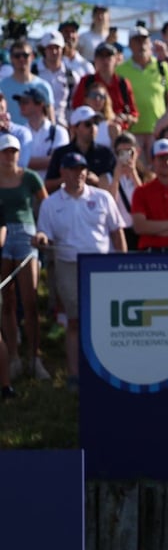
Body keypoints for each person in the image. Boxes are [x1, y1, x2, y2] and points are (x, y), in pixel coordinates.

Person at [33, 150, 126, 391]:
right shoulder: (51, 203)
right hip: (69, 265)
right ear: (63, 173)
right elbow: (45, 233)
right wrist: (40, 238)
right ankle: (74, 375)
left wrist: (122, 264)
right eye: (73, 170)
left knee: (107, 320)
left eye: (82, 170)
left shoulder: (103, 197)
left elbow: (117, 231)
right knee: (74, 320)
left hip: (102, 265)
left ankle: (109, 368)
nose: (78, 174)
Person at [0, 131, 49, 380]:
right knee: (6, 300)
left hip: (26, 236)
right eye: (5, 152)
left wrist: (42, 231)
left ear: (19, 154)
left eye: (13, 151)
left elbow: (46, 206)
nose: (9, 156)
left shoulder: (29, 177)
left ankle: (34, 358)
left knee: (29, 301)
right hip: (1, 237)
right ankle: (14, 357)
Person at [115, 24, 168, 158]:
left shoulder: (162, 68)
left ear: (150, 43)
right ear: (130, 44)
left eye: (144, 41)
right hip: (132, 132)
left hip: (157, 131)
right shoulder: (120, 71)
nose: (141, 45)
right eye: (137, 41)